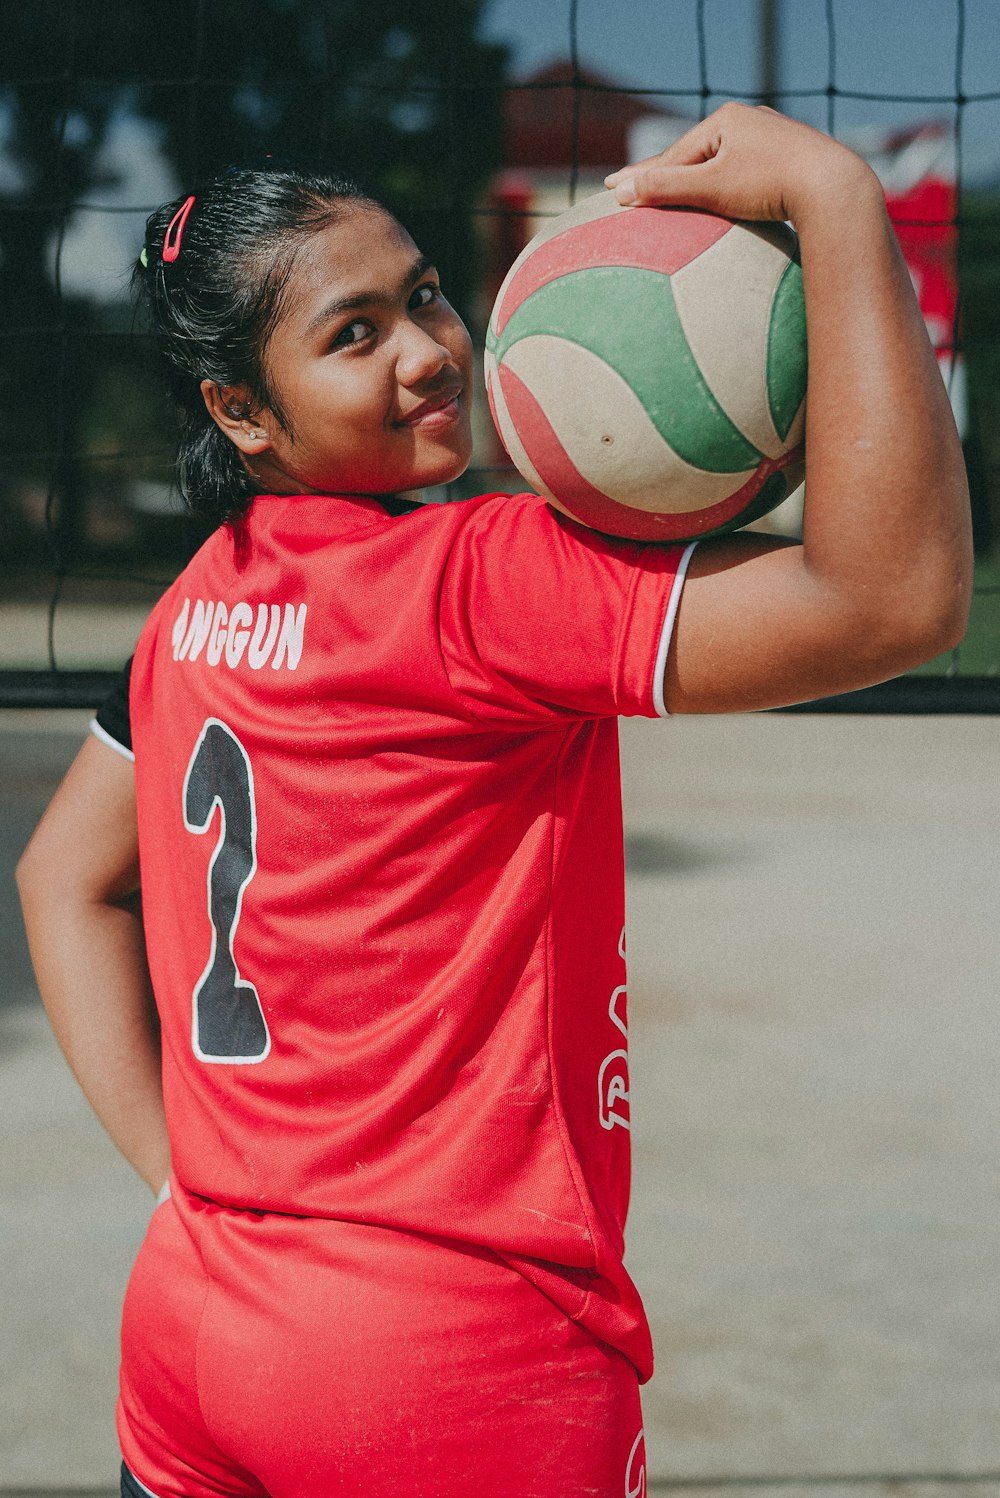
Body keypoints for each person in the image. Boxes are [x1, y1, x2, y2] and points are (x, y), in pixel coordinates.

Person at [17, 104, 971, 1498]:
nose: (428, 353)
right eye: (355, 335)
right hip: (447, 1356)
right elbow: (895, 597)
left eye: (423, 295)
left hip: (193, 1320)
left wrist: (181, 1177)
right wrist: (834, 196)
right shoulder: (480, 582)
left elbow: (60, 876)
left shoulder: (195, 609)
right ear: (240, 408)